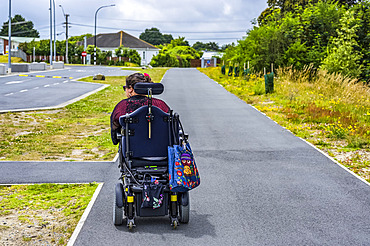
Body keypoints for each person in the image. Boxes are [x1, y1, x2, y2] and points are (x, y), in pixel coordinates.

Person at [110, 72, 170, 145]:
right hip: (160, 151)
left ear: (130, 89)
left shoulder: (122, 106)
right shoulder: (161, 105)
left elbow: (114, 135)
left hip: (131, 150)